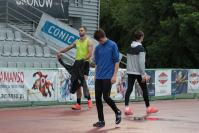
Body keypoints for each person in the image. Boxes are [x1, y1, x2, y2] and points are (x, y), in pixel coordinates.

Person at [57, 26, 93, 110]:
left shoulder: (89, 41)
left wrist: (83, 59)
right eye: (79, 30)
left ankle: (89, 99)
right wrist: (60, 51)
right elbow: (69, 47)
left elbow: (90, 54)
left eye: (82, 30)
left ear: (85, 31)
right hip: (77, 64)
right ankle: (78, 104)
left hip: (85, 63)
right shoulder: (77, 41)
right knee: (77, 84)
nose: (80, 32)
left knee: (83, 81)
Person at [125, 30, 158, 115]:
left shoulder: (129, 47)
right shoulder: (141, 48)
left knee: (129, 89)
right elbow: (141, 62)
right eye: (143, 36)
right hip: (139, 73)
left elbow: (129, 60)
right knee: (144, 89)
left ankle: (127, 108)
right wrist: (143, 74)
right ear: (141, 37)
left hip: (130, 71)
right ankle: (148, 108)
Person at [93, 29, 121, 128]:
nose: (100, 42)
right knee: (97, 98)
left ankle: (117, 111)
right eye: (99, 41)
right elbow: (96, 63)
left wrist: (114, 75)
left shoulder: (113, 45)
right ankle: (101, 121)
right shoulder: (97, 48)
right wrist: (95, 75)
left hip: (108, 75)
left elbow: (117, 62)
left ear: (103, 36)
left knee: (106, 97)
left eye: (101, 40)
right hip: (99, 76)